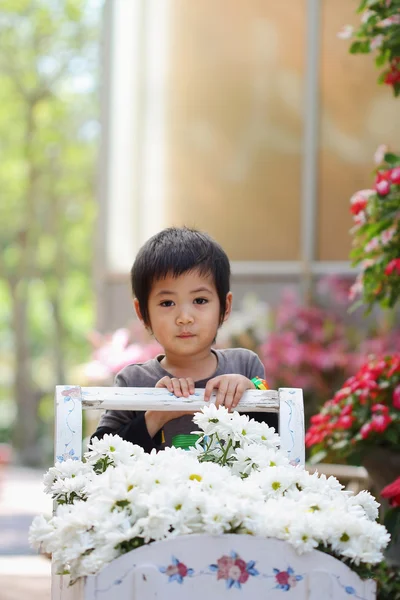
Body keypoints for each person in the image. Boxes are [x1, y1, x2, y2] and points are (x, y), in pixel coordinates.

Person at [92, 227, 276, 452]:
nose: (184, 318)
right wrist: (157, 414)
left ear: (225, 307)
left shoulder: (245, 366)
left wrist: (248, 393)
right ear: (142, 313)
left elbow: (276, 443)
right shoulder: (134, 380)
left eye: (199, 300)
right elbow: (98, 454)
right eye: (167, 303)